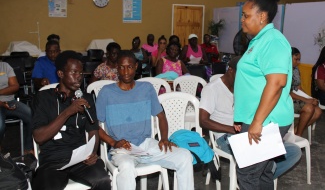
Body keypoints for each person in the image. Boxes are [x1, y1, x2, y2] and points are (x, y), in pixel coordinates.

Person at [96, 50, 194, 190]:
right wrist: (113, 142)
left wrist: (164, 138)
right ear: (117, 68)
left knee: (184, 156)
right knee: (127, 165)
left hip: (146, 145)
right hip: (122, 149)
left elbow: (161, 116)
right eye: (122, 67)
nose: (126, 71)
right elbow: (94, 125)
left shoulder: (146, 88)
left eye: (129, 66)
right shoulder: (106, 92)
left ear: (136, 67)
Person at [199, 56, 301, 180]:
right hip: (226, 137)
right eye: (242, 74)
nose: (245, 79)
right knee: (264, 156)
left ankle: (258, 176)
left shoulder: (244, 88)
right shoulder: (212, 89)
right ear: (231, 70)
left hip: (248, 132)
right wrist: (233, 129)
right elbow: (203, 121)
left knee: (293, 151)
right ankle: (255, 175)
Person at [233, 0, 293, 189]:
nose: (242, 19)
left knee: (248, 174)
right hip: (257, 118)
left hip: (267, 119)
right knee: (263, 173)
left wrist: (257, 122)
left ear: (262, 16)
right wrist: (241, 118)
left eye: (246, 15)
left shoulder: (273, 41)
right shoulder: (259, 40)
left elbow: (277, 83)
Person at [31, 51, 110, 190]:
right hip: (52, 162)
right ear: (61, 74)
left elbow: (93, 131)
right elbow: (39, 137)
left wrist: (92, 152)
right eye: (74, 72)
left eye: (80, 73)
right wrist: (68, 112)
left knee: (102, 180)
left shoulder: (86, 98)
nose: (79, 77)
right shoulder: (43, 98)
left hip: (81, 159)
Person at [0, 62, 33, 154]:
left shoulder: (5, 66)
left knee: (30, 114)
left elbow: (15, 86)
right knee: (0, 125)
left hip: (10, 101)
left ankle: (28, 147)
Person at [291, 47, 321, 136]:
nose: (298, 62)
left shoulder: (295, 70)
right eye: (296, 59)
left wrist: (310, 98)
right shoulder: (283, 70)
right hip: (285, 99)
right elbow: (287, 92)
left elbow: (299, 88)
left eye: (299, 60)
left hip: (295, 97)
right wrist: (306, 100)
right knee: (309, 108)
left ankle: (295, 133)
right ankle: (299, 135)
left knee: (318, 111)